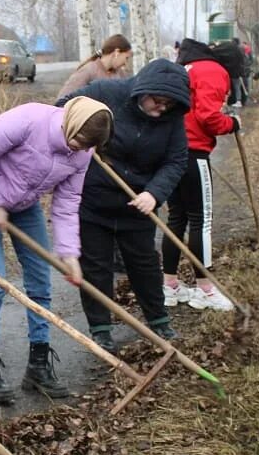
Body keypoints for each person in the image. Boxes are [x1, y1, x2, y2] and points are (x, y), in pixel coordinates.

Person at [0, 96, 114, 403]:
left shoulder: (82, 153)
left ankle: (38, 366)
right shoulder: (29, 119)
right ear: (70, 122)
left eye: (86, 146)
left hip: (25, 208)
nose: (77, 149)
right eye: (77, 140)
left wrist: (69, 254)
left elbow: (67, 203)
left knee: (41, 283)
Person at [56, 59, 190, 352]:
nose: (162, 108)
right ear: (144, 90)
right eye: (158, 101)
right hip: (94, 200)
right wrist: (84, 134)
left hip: (138, 204)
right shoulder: (106, 92)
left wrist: (154, 193)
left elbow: (176, 159)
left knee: (145, 265)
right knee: (96, 266)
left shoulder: (171, 118)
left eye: (168, 104)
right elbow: (62, 109)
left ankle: (158, 321)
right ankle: (100, 329)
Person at [164, 39, 240, 311]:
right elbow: (208, 117)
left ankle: (170, 285)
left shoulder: (190, 66)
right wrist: (231, 123)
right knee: (201, 220)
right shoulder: (213, 71)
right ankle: (204, 290)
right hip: (193, 152)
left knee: (177, 217)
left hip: (171, 150)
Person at [57, 34, 133, 98]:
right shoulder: (88, 71)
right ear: (117, 52)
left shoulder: (120, 74)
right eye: (126, 58)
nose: (125, 63)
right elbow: (63, 98)